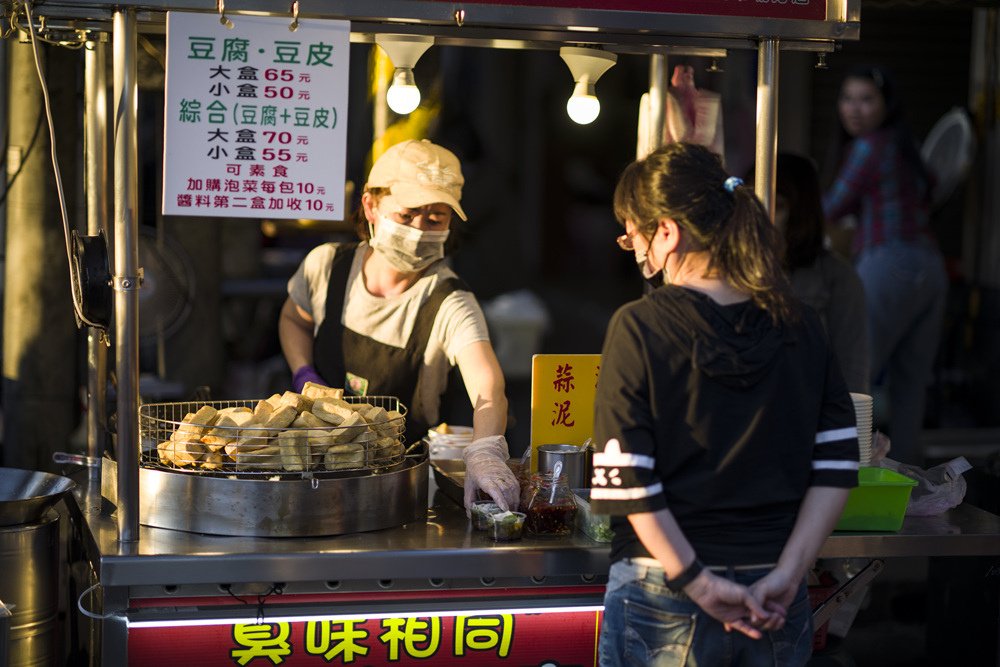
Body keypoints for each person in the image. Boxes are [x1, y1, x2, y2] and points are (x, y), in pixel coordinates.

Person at [592, 143, 859, 666]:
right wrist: (787, 574)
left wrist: (698, 581)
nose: (634, 249)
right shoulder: (802, 323)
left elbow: (630, 481)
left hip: (663, 593)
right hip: (776, 592)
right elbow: (837, 464)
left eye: (633, 234)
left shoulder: (639, 326)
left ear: (666, 232)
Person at [279, 139, 519, 511]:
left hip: (397, 488)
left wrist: (485, 452)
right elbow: (294, 318)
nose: (420, 229)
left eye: (435, 217)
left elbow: (488, 386)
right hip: (308, 474)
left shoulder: (450, 302)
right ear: (371, 206)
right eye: (407, 215)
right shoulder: (326, 267)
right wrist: (303, 372)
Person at [822, 65, 947, 464]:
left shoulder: (870, 146)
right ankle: (908, 483)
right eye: (847, 98)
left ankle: (842, 477)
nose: (854, 109)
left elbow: (833, 205)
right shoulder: (903, 143)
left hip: (889, 264)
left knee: (856, 374)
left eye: (866, 99)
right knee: (912, 387)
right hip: (931, 269)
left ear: (885, 104)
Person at [775, 152, 869, 394]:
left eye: (777, 206)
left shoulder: (838, 278)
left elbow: (852, 371)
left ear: (800, 212)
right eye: (752, 201)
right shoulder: (728, 272)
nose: (763, 215)